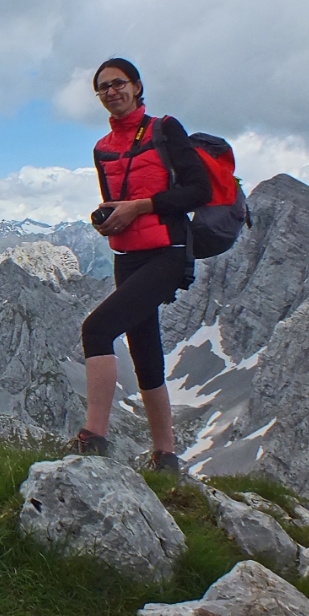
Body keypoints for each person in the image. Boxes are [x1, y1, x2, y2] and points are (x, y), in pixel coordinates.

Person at [70, 58, 211, 474]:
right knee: (145, 351)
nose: (111, 92)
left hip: (167, 251)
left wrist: (142, 206)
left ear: (136, 86)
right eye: (103, 88)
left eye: (118, 83)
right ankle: (165, 457)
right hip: (126, 256)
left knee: (96, 329)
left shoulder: (165, 129)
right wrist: (109, 218)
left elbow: (198, 190)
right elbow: (115, 200)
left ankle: (94, 437)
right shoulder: (102, 148)